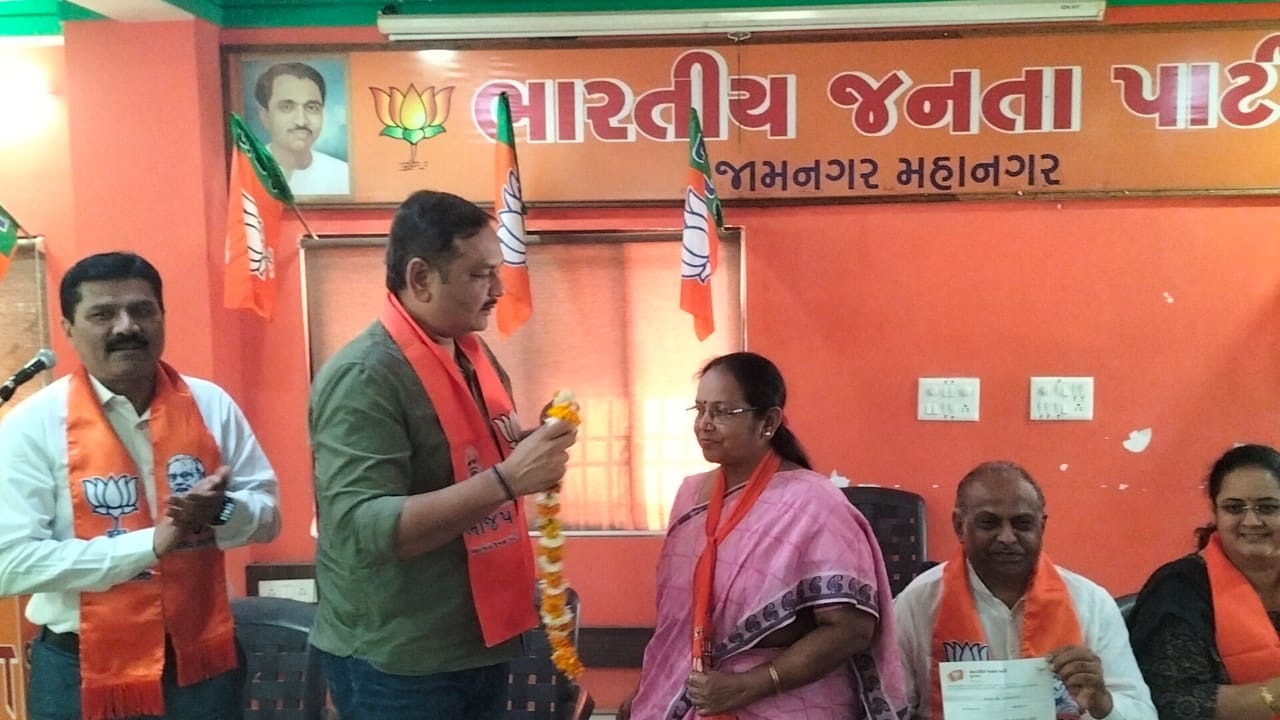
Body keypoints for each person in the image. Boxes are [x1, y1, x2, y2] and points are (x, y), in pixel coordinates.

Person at [308, 189, 577, 720]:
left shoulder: (468, 352)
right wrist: (508, 479)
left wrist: (531, 444)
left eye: (496, 272)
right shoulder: (366, 376)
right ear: (420, 278)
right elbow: (363, 526)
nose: (499, 290)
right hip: (400, 663)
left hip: (476, 640)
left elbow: (463, 462)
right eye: (480, 275)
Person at [0, 251, 281, 720]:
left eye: (142, 310)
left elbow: (268, 517)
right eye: (103, 314)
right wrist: (149, 545)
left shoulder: (210, 405)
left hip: (202, 662)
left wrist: (223, 511)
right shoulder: (32, 425)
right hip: (80, 669)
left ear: (162, 317)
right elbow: (9, 564)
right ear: (68, 328)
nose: (126, 327)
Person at [619, 351, 907, 720]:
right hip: (688, 694)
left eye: (723, 412)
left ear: (768, 422)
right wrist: (650, 687)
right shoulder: (690, 495)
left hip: (782, 702)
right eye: (700, 410)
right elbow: (677, 622)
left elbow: (851, 629)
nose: (704, 424)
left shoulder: (813, 503)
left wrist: (750, 685)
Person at [893, 461, 1155, 720]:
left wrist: (1104, 704)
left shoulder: (1091, 602)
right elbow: (890, 708)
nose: (1007, 537)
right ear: (959, 526)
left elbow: (1143, 713)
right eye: (989, 523)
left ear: (1042, 526)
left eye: (1022, 523)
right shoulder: (917, 603)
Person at [1127, 443, 1280, 719]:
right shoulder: (1177, 590)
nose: (1251, 521)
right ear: (1215, 512)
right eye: (1234, 508)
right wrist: (1271, 696)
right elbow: (1174, 700)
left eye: (1267, 508)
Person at [254, 61, 350, 195]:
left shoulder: (343, 175)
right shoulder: (248, 171)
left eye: (312, 108)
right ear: (265, 116)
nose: (301, 121)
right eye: (287, 107)